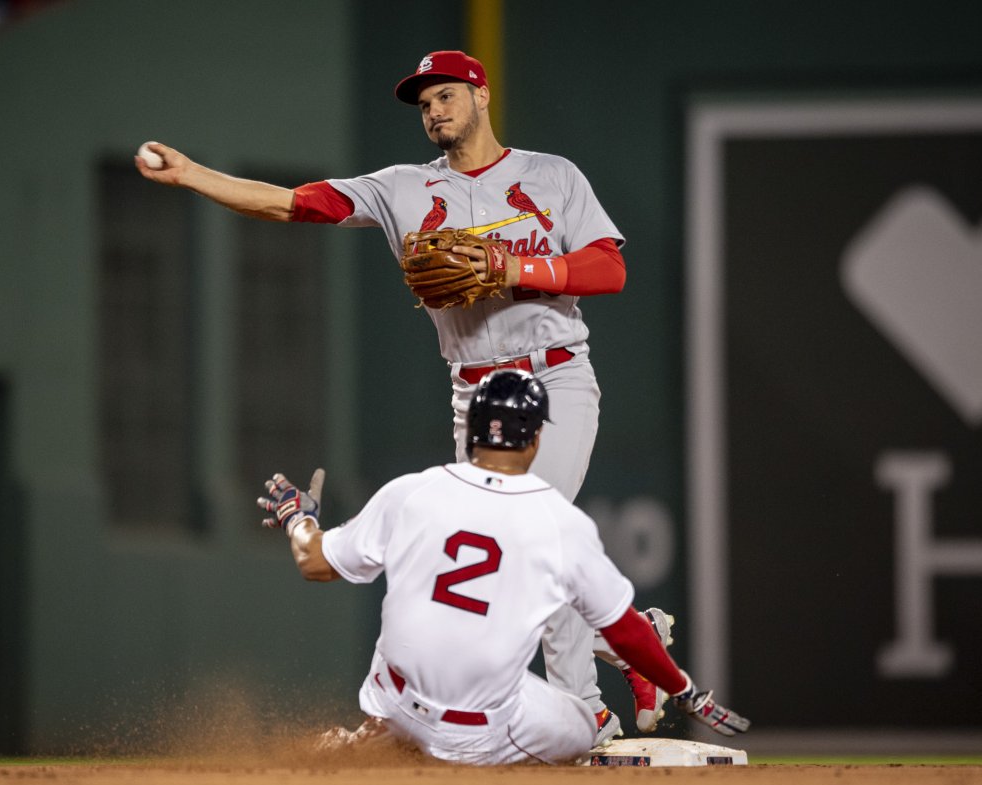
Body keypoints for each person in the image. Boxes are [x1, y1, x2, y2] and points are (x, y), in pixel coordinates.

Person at [138, 49, 659, 741]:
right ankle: (620, 642)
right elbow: (294, 204)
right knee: (501, 548)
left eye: (445, 96)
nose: (434, 111)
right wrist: (193, 175)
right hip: (472, 393)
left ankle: (587, 714)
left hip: (555, 375)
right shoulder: (399, 188)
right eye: (424, 105)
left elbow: (609, 267)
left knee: (535, 530)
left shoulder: (551, 175)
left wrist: (513, 265)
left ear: (481, 96)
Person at [257, 370, 748, 765]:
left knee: (426, 618)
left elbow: (314, 561)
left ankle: (384, 735)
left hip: (394, 701)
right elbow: (624, 631)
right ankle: (432, 748)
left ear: (470, 432)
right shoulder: (559, 522)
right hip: (480, 733)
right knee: (584, 722)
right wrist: (685, 691)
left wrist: (297, 516)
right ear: (535, 439)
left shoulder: (412, 490)